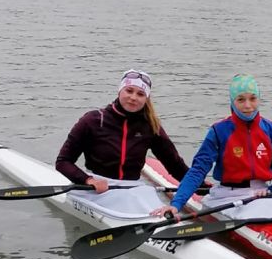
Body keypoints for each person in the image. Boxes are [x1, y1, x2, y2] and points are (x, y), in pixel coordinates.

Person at [155, 74, 272, 220]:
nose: (248, 106)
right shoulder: (219, 131)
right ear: (232, 102)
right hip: (227, 196)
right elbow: (198, 171)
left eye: (253, 98)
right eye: (241, 99)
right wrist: (176, 204)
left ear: (259, 99)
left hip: (264, 194)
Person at [55, 70, 189, 216]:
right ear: (120, 91)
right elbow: (63, 162)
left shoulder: (150, 126)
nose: (133, 97)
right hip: (98, 189)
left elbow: (174, 164)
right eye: (129, 91)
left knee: (155, 211)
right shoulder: (92, 120)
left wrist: (199, 184)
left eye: (140, 94)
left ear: (146, 99)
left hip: (133, 187)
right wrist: (88, 180)